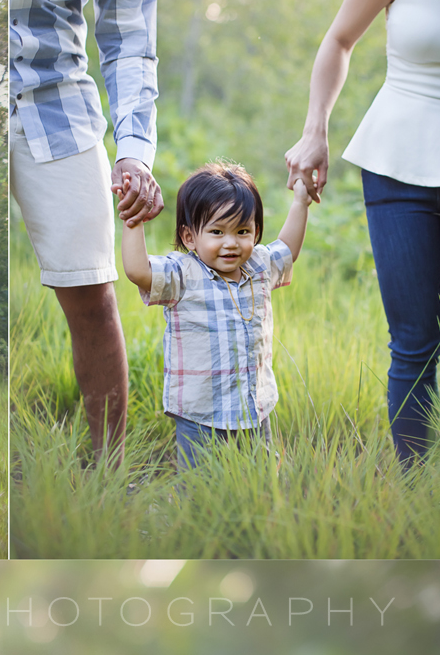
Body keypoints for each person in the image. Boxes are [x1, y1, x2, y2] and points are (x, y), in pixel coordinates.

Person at [284, 0, 440, 464]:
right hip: (396, 166)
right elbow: (339, 41)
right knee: (414, 340)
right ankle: (414, 487)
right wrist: (315, 131)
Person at [10, 0, 165, 463]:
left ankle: (109, 476)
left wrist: (133, 151)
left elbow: (128, 35)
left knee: (93, 292)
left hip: (56, 100)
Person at [122, 162, 311, 469]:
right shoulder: (183, 274)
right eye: (216, 232)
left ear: (256, 232)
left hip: (254, 409)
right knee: (201, 490)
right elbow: (138, 271)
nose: (230, 242)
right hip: (201, 416)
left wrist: (301, 202)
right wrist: (135, 220)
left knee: (257, 482)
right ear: (189, 237)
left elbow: (288, 248)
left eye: (242, 231)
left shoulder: (260, 266)